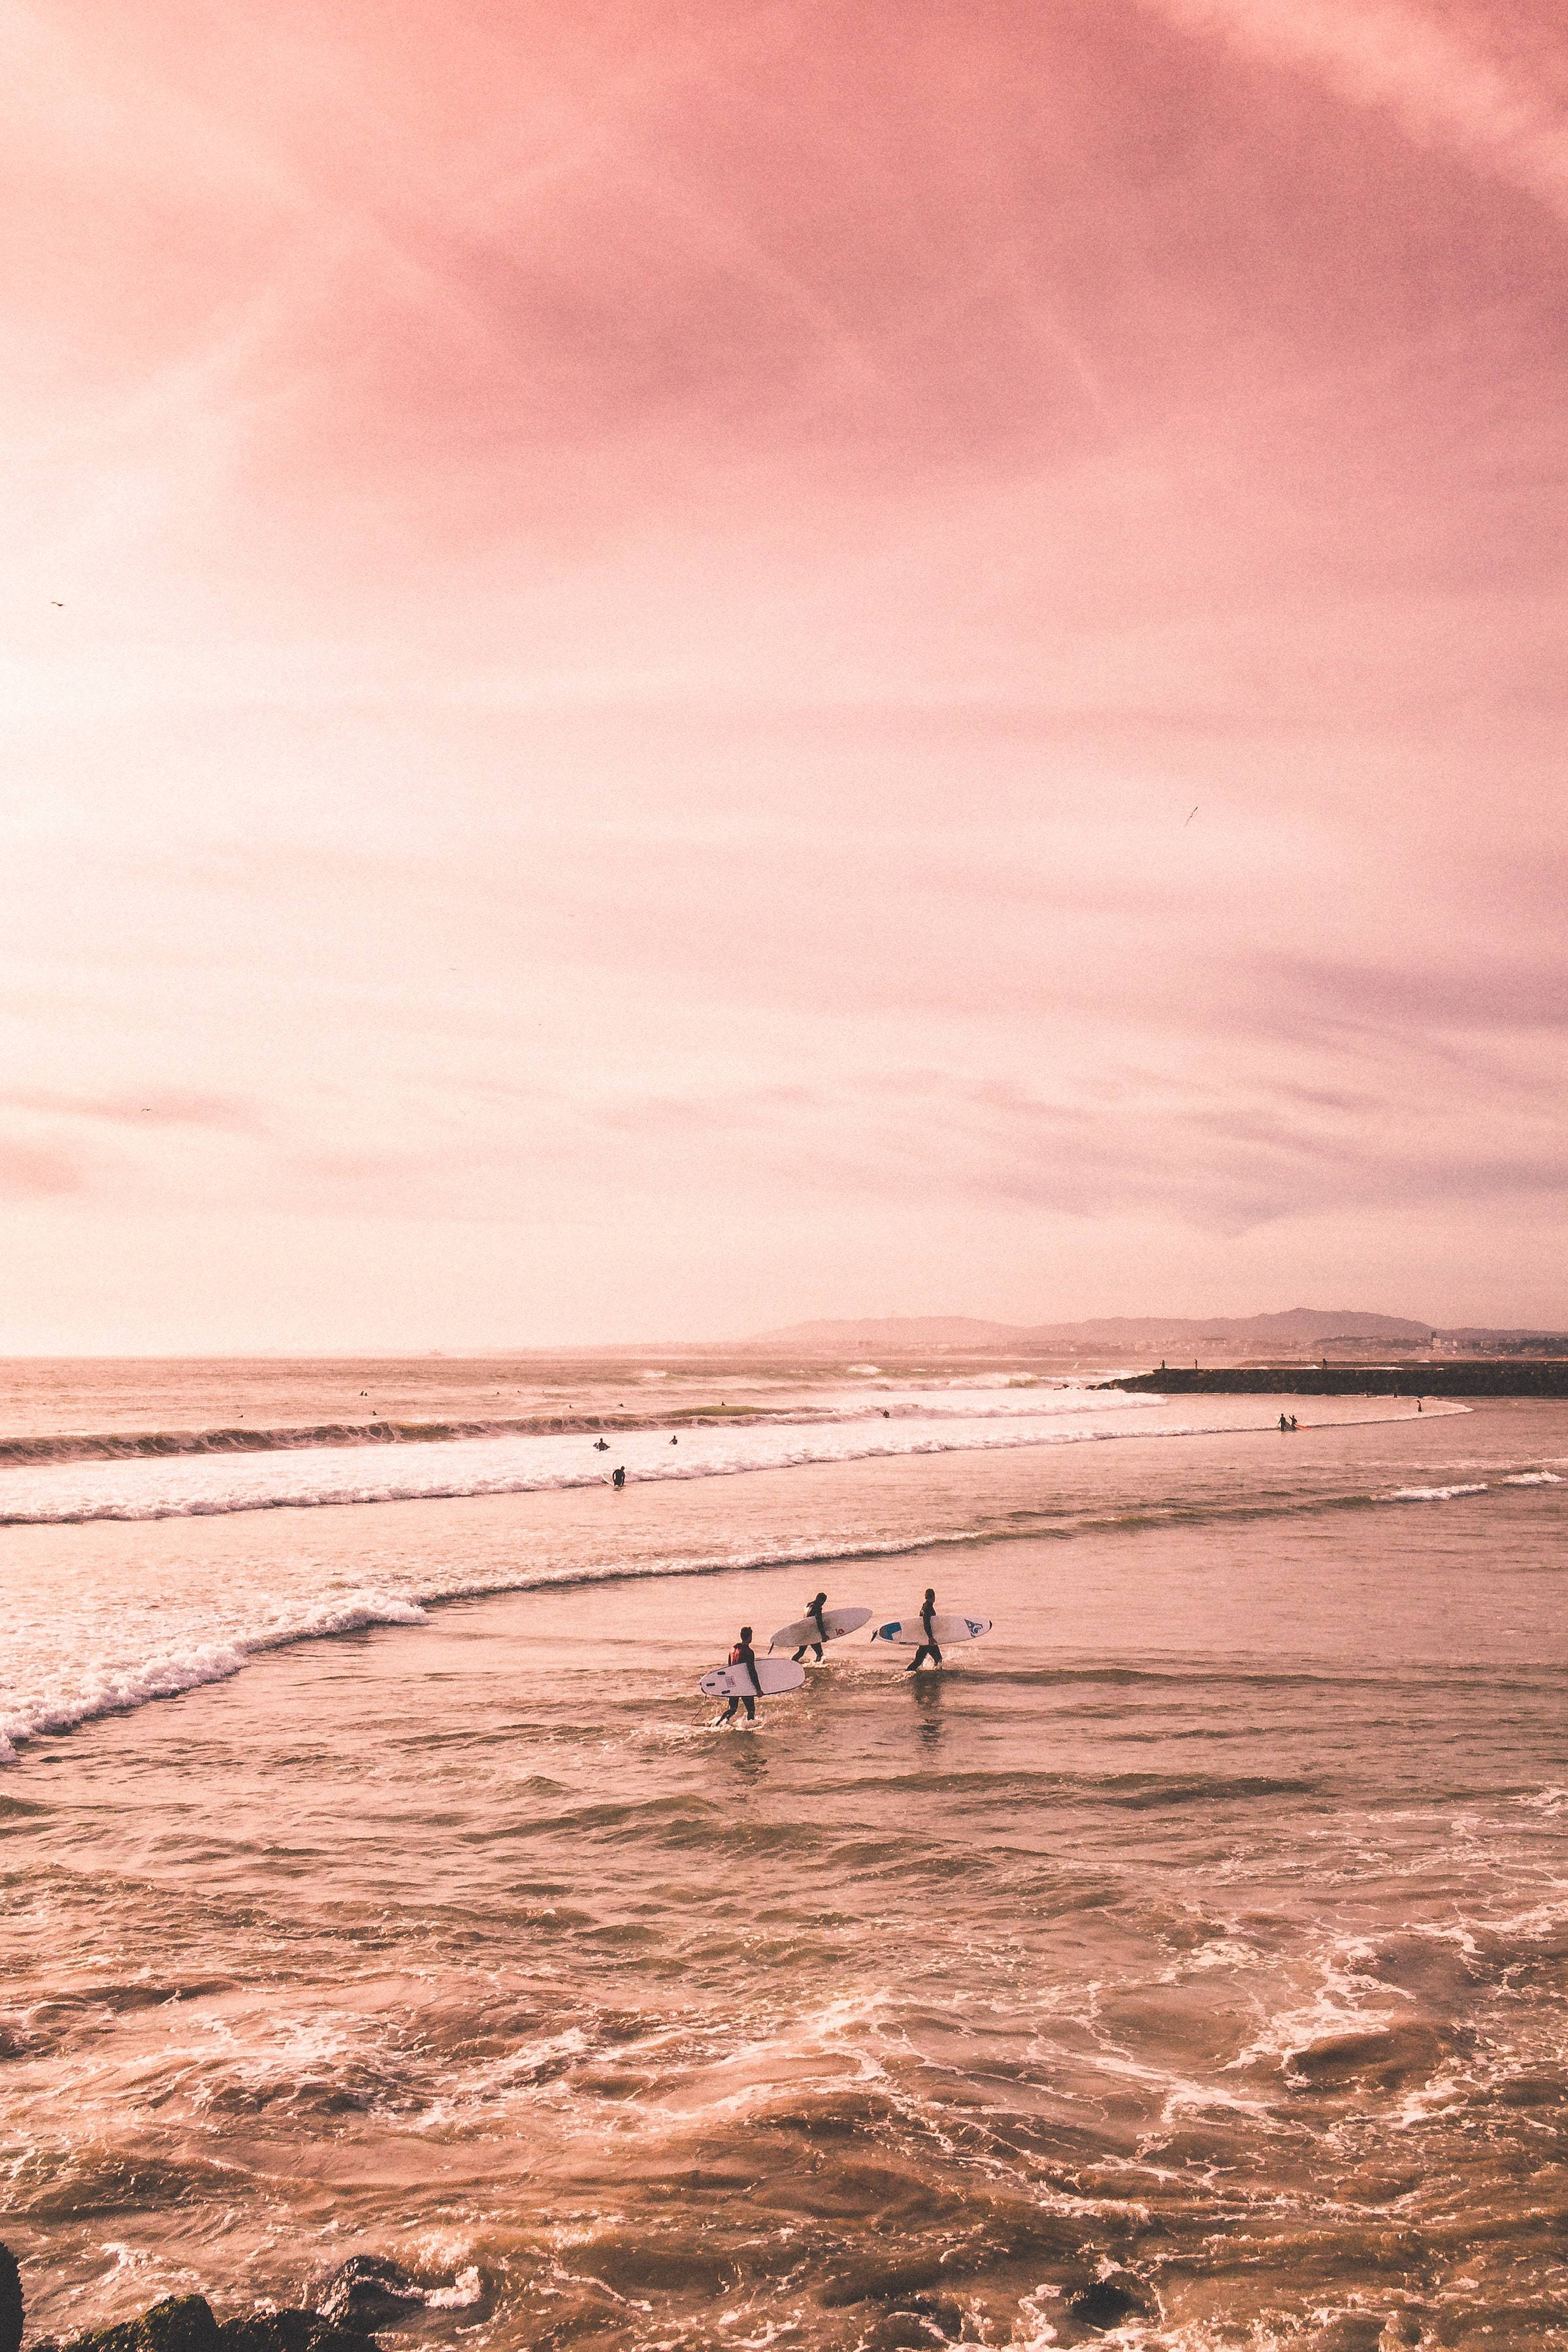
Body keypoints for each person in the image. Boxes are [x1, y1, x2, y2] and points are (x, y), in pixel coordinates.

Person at [719, 1625, 762, 1723]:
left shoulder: (733, 1650)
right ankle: (750, 1728)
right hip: (743, 1684)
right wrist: (758, 1689)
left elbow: (729, 1668)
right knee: (751, 1710)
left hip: (733, 1683)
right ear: (750, 1637)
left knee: (733, 1709)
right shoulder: (749, 1652)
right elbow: (752, 1671)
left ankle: (719, 1723)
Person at [907, 1588, 942, 1673]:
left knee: (919, 1661)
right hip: (928, 1640)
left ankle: (907, 1672)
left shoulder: (925, 1606)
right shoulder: (927, 1608)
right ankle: (936, 1677)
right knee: (938, 1659)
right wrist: (930, 1637)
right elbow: (926, 1623)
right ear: (933, 1597)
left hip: (925, 1638)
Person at [792, 1592, 830, 1664]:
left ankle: (792, 1663)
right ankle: (818, 1667)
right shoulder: (817, 1607)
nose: (823, 1604)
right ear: (821, 1601)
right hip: (811, 1633)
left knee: (801, 1652)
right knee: (820, 1654)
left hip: (804, 1632)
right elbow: (819, 1621)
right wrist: (823, 1635)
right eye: (823, 1602)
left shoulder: (808, 1605)